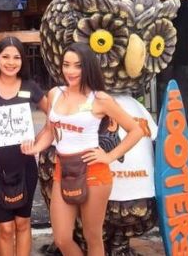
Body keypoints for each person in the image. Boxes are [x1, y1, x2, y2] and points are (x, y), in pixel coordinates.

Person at [22, 43, 143, 256]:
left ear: (87, 67)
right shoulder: (54, 94)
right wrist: (35, 148)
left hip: (93, 172)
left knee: (92, 236)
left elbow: (136, 130)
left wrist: (109, 156)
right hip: (63, 170)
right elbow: (51, 130)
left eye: (77, 66)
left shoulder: (100, 99)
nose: (70, 71)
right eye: (66, 65)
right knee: (61, 238)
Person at [0, 36, 50, 256]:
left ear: (23, 61)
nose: (11, 62)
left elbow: (56, 116)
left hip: (24, 166)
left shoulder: (30, 86)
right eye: (5, 57)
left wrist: (38, 142)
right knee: (5, 228)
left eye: (16, 57)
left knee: (23, 224)